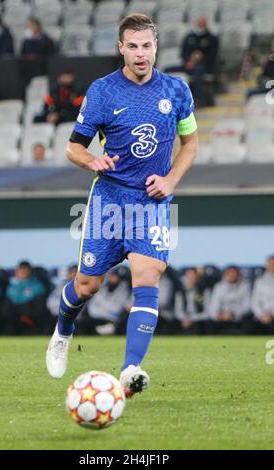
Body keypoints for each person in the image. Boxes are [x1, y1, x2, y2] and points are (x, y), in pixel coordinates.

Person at [46, 13, 198, 397]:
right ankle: (63, 330)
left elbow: (191, 143)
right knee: (86, 286)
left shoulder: (176, 91)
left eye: (147, 45)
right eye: (133, 46)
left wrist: (170, 180)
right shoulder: (102, 91)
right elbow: (73, 147)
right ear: (121, 49)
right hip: (109, 200)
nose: (141, 53)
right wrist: (91, 160)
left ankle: (130, 369)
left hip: (151, 202)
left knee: (148, 276)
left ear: (156, 47)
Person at [180, 16, 219, 105]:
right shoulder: (189, 37)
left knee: (197, 72)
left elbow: (212, 55)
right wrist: (189, 60)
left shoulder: (211, 38)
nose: (201, 24)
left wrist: (200, 59)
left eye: (203, 22)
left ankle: (197, 99)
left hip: (204, 66)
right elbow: (183, 52)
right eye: (199, 22)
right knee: (167, 70)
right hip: (188, 64)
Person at [209, 266, 251, 334]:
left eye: (234, 273)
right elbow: (212, 308)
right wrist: (220, 316)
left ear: (238, 275)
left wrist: (233, 314)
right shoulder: (218, 287)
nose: (232, 276)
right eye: (229, 274)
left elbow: (247, 306)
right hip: (221, 320)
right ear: (225, 275)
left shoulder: (245, 286)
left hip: (239, 320)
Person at [251, 255, 274, 333]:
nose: (272, 266)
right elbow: (254, 302)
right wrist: (262, 315)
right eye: (271, 264)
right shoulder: (260, 281)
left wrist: (272, 315)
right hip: (262, 317)